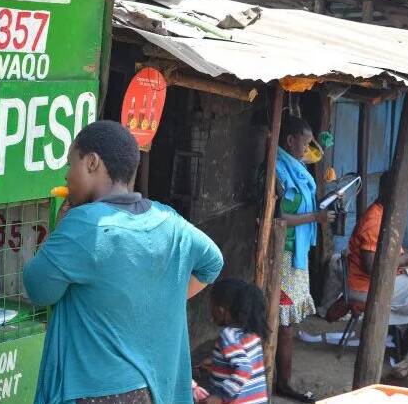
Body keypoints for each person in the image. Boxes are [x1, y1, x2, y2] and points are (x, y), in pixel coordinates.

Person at [23, 120, 224, 404]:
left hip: (94, 389)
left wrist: (59, 230)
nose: (67, 176)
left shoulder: (83, 224)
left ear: (92, 162)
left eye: (71, 164)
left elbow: (38, 288)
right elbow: (212, 262)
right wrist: (160, 300)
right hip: (156, 389)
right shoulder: (170, 221)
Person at [269, 115, 334, 402]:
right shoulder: (277, 170)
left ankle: (282, 380)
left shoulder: (295, 167)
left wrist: (315, 141)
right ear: (289, 140)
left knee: (288, 321)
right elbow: (279, 216)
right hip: (282, 255)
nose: (308, 149)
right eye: (304, 143)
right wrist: (315, 217)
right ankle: (283, 384)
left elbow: (317, 153)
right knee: (284, 322)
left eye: (310, 144)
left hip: (295, 253)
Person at [347, 172, 408, 325]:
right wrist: (404, 259)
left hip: (369, 283)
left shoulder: (383, 213)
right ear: (384, 191)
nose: (404, 197)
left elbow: (385, 254)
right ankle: (402, 327)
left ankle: (399, 328)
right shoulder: (375, 219)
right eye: (399, 191)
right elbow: (370, 266)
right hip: (365, 288)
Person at [193, 278, 268, 404]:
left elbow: (244, 369)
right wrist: (216, 361)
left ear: (221, 309)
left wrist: (220, 396)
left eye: (212, 305)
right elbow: (245, 358)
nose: (211, 311)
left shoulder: (228, 335)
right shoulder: (251, 332)